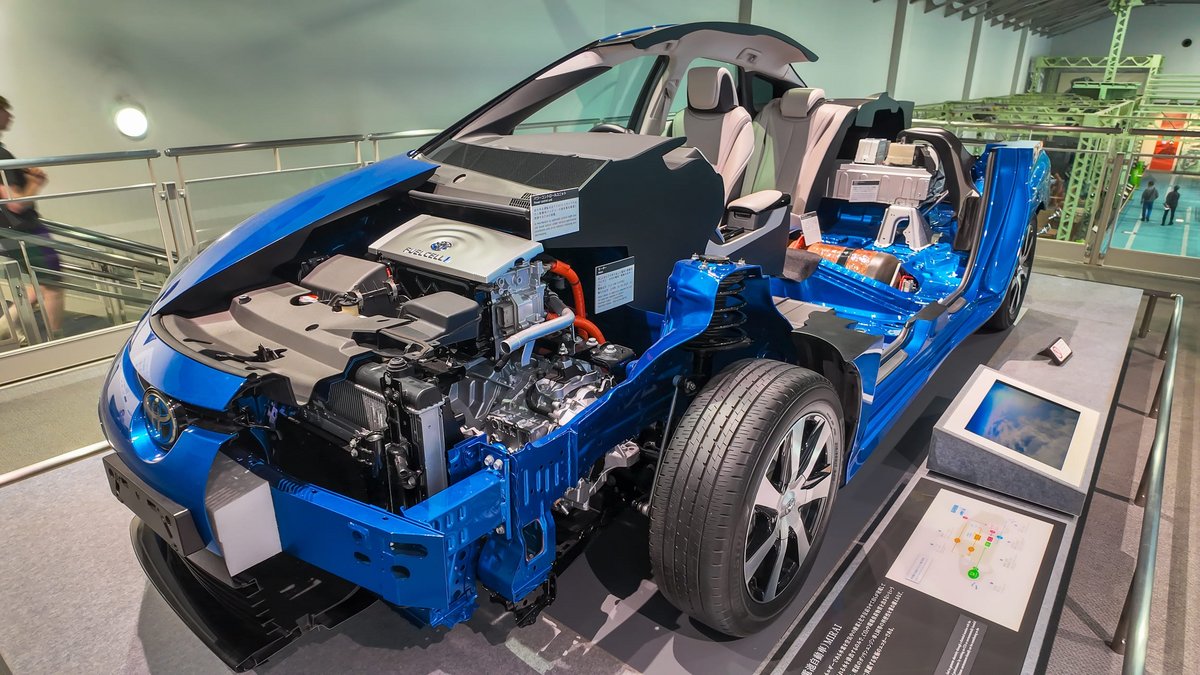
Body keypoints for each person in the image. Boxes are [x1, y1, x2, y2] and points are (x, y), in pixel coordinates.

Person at [0, 95, 62, 340]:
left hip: (12, 231)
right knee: (53, 286)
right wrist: (36, 182)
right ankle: (56, 343)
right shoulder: (1, 154)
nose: (10, 115)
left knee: (39, 285)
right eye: (5, 110)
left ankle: (4, 329)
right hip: (24, 230)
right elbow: (16, 203)